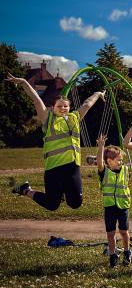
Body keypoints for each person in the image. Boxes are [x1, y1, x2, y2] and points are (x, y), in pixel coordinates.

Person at [7, 72, 105, 211]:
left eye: (66, 106)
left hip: (72, 167)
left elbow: (87, 104)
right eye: (59, 106)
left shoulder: (74, 117)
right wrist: (23, 82)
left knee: (76, 203)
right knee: (52, 204)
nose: (63, 108)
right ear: (52, 107)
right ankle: (25, 190)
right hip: (53, 168)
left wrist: (98, 93)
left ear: (69, 107)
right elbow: (36, 100)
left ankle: (64, 192)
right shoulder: (48, 118)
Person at [96, 135, 132, 268]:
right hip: (110, 206)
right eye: (118, 160)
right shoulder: (104, 171)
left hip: (123, 206)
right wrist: (101, 147)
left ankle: (127, 252)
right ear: (109, 161)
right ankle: (113, 254)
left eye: (122, 160)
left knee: (124, 231)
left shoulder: (125, 170)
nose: (121, 162)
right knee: (110, 233)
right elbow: (100, 162)